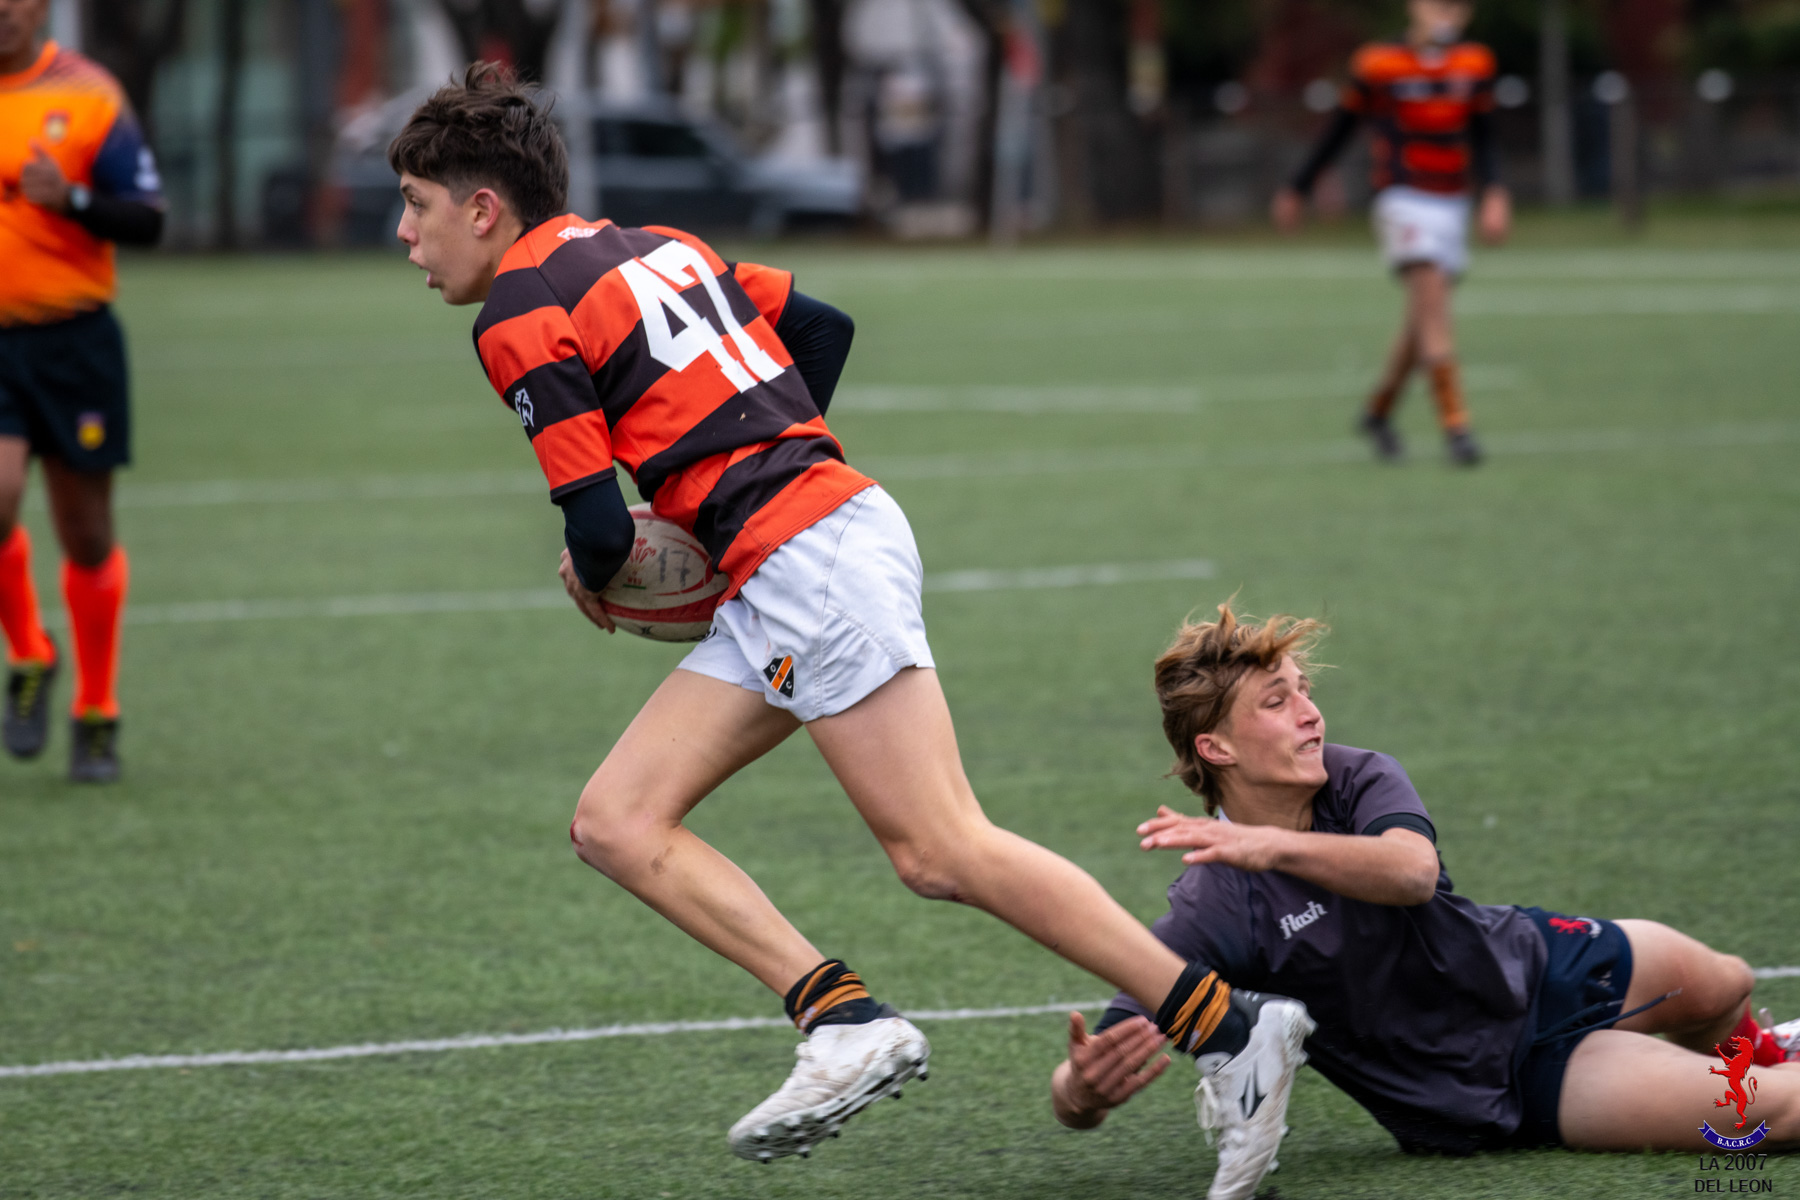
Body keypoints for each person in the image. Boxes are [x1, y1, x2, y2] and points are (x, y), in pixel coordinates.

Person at [386, 64, 1310, 1194]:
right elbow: (822, 326)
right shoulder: (657, 245)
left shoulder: (519, 312)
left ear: (483, 207)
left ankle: (1228, 1028)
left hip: (806, 559)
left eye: (417, 206)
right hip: (797, 554)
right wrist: (754, 473)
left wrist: (613, 572)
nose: (405, 234)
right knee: (618, 820)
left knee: (942, 849)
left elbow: (594, 530)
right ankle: (842, 1020)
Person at [1050, 604, 1800, 1158]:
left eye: (1304, 689)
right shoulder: (1213, 903)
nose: (1310, 714)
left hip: (1538, 960)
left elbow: (1412, 873)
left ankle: (1755, 1049)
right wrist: (1079, 1094)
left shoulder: (1354, 774)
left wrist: (1270, 844)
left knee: (1725, 983)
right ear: (1215, 747)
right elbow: (1107, 1045)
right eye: (1277, 703)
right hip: (1496, 1077)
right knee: (1775, 1116)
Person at [1, 0, 163, 782]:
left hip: (74, 344)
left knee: (87, 535)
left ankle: (96, 707)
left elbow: (148, 219)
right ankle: (30, 651)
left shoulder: (89, 93)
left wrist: (65, 198)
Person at [1272, 0, 1506, 467]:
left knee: (1421, 320)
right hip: (1402, 198)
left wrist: (1495, 194)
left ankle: (1378, 413)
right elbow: (1339, 129)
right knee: (1434, 303)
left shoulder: (1475, 63)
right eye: (1439, 5)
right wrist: (1298, 187)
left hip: (1452, 201)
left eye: (1458, 7)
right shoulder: (1378, 63)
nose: (1447, 16)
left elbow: (1485, 135)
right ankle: (1457, 427)